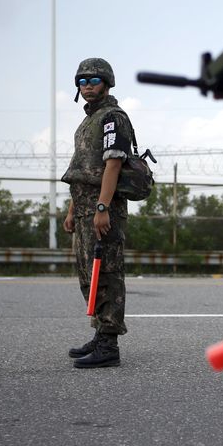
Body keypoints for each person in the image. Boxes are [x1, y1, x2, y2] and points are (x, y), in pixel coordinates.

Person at [61, 57, 133, 369]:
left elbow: (113, 164)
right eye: (82, 81)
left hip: (103, 210)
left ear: (106, 83)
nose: (87, 86)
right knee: (89, 277)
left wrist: (102, 208)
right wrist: (73, 209)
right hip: (84, 210)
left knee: (107, 275)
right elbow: (83, 170)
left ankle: (109, 345)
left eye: (93, 80)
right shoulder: (87, 122)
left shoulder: (112, 118)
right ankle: (100, 332)